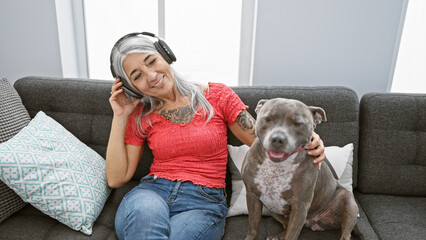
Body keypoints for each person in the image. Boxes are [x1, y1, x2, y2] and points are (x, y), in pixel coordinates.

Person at [106, 32, 326, 240]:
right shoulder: (140, 116)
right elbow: (116, 178)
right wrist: (120, 115)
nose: (151, 76)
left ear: (165, 55)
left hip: (203, 201)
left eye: (152, 61)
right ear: (133, 88)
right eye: (137, 76)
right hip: (152, 192)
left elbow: (262, 141)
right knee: (144, 217)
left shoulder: (218, 96)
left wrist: (309, 141)